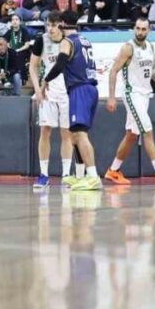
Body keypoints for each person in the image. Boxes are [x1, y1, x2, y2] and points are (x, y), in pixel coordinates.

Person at [104, 18, 155, 185]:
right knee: (147, 130)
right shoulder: (128, 48)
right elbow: (113, 71)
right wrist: (111, 97)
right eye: (137, 28)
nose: (140, 32)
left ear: (149, 31)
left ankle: (113, 170)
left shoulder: (150, 47)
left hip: (145, 95)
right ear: (134, 29)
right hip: (132, 94)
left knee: (132, 135)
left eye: (143, 29)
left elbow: (152, 73)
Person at [42, 11, 101, 191]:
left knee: (79, 135)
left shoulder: (67, 42)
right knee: (76, 133)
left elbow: (59, 64)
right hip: (90, 88)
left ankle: (92, 176)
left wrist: (45, 80)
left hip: (79, 89)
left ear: (61, 24)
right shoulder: (84, 40)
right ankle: (81, 175)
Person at [29, 12, 73, 189]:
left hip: (67, 92)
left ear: (61, 25)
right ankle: (44, 174)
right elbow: (33, 66)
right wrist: (37, 89)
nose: (51, 29)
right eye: (48, 25)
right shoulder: (42, 40)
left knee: (66, 134)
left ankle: (66, 175)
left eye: (54, 25)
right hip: (48, 92)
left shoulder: (68, 42)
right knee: (45, 131)